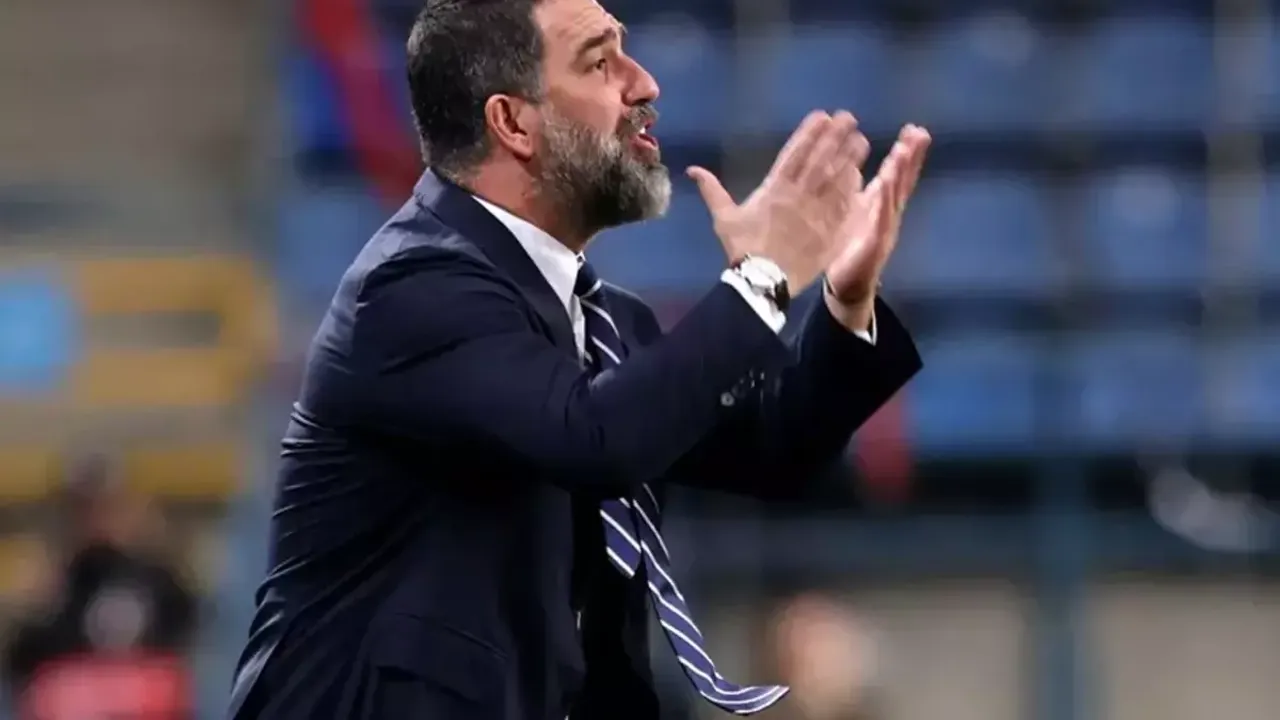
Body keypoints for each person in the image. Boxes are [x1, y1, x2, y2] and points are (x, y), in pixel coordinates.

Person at [226, 0, 929, 717]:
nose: (644, 82)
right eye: (600, 62)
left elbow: (774, 449)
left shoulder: (604, 321)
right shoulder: (412, 289)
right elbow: (597, 438)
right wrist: (762, 280)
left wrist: (847, 299)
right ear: (513, 122)